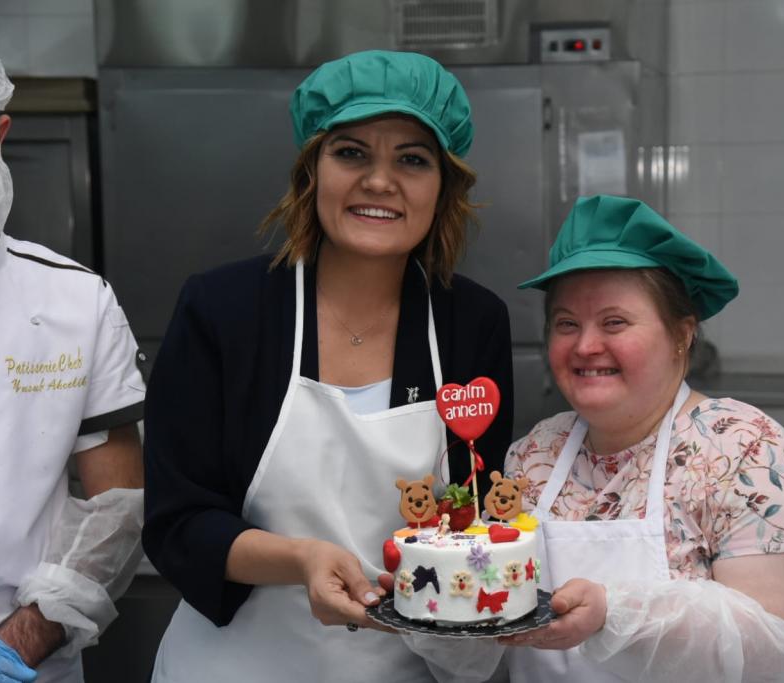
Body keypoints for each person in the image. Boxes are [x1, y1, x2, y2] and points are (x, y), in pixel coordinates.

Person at [142, 50, 514, 682]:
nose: (379, 181)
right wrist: (301, 560)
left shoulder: (471, 322)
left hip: (405, 666)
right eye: (351, 153)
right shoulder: (223, 310)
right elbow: (177, 521)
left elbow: (476, 510)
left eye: (412, 160)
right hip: (234, 664)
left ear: (443, 188)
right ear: (311, 172)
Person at [401, 195, 784, 683]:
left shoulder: (744, 450)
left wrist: (615, 614)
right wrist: (436, 609)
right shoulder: (536, 453)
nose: (586, 346)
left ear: (682, 334)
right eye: (567, 324)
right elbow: (494, 650)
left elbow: (772, 654)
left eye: (614, 322)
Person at [0, 23, 147, 683]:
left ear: (2, 135)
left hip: (18, 659)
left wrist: (14, 647)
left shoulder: (74, 300)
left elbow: (118, 505)